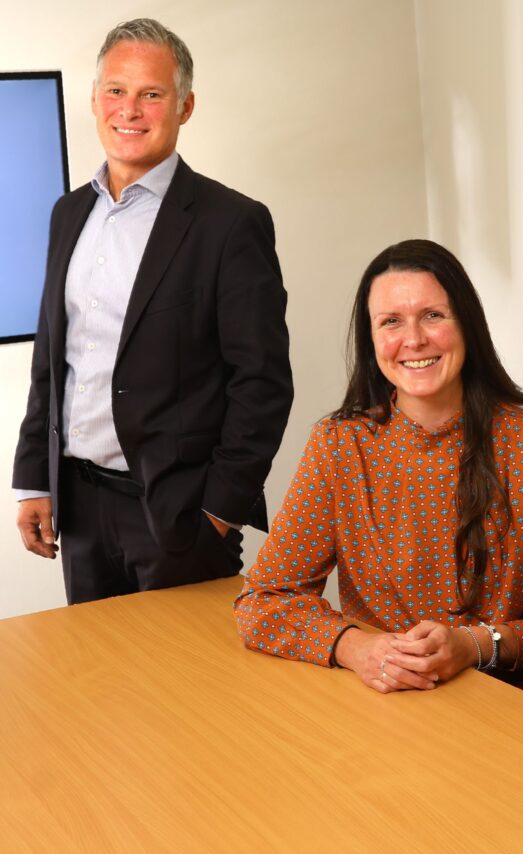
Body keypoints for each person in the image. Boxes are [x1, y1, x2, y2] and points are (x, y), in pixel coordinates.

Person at [12, 19, 293, 604]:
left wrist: (219, 511)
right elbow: (52, 359)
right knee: (99, 685)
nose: (129, 110)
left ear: (185, 106)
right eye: (116, 90)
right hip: (80, 509)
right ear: (93, 99)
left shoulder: (230, 223)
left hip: (177, 516)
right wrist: (34, 479)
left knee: (191, 691)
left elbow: (262, 382)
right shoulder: (68, 214)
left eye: (152, 94)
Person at [234, 239, 523, 701]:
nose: (414, 339)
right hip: (393, 702)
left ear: (467, 325)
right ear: (372, 338)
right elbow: (265, 601)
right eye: (391, 322)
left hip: (517, 700)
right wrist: (356, 648)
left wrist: (476, 645)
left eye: (433, 315)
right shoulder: (339, 446)